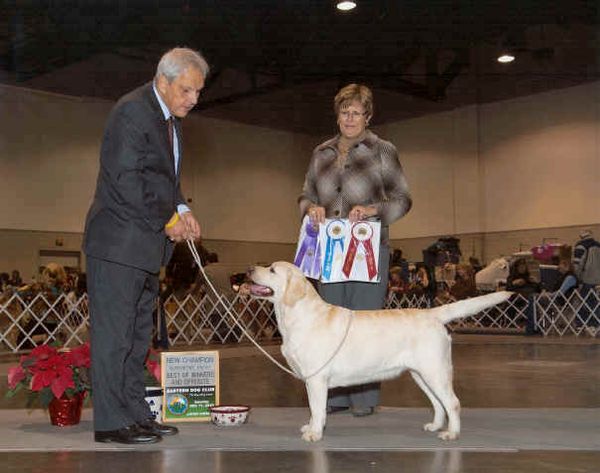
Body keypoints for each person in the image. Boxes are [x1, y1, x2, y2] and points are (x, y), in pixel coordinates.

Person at [83, 47, 208, 444]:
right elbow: (126, 179)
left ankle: (137, 415)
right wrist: (169, 220)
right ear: (163, 81)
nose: (194, 99)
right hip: (117, 245)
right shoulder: (132, 112)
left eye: (198, 91)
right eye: (186, 90)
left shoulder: (167, 119)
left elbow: (163, 180)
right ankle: (110, 422)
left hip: (144, 247)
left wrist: (182, 208)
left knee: (138, 338)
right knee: (114, 338)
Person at [298, 83, 412, 417]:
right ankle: (333, 397)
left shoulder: (383, 150)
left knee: (365, 325)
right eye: (344, 112)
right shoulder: (320, 153)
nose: (350, 118)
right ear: (337, 115)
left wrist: (373, 210)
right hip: (329, 250)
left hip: (369, 250)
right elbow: (305, 194)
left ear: (368, 116)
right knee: (330, 325)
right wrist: (310, 208)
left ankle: (364, 400)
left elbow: (403, 200)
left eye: (357, 113)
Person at [572, 230, 600, 335]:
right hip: (599, 279)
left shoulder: (580, 246)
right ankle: (585, 323)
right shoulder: (598, 245)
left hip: (587, 278)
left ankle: (592, 325)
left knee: (587, 303)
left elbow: (577, 264)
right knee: (595, 303)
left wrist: (578, 278)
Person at [506, 258, 541, 335]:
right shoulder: (511, 277)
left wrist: (536, 283)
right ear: (516, 268)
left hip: (531, 298)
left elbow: (538, 290)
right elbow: (508, 289)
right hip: (516, 299)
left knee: (534, 299)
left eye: (524, 266)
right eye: (520, 266)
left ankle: (535, 325)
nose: (522, 268)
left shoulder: (529, 277)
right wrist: (514, 283)